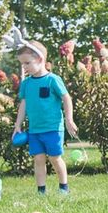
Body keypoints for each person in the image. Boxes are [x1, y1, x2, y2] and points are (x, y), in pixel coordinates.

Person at [11, 36, 78, 196]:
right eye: (22, 64)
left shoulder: (52, 80)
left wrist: (69, 119)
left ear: (40, 59)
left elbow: (66, 98)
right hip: (34, 130)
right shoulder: (26, 84)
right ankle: (41, 191)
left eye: (27, 63)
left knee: (55, 158)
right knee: (38, 159)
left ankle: (63, 187)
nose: (24, 67)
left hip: (53, 128)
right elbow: (24, 104)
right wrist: (17, 124)